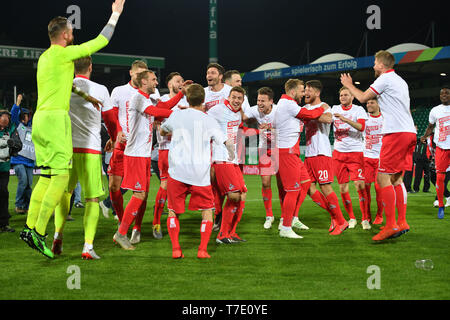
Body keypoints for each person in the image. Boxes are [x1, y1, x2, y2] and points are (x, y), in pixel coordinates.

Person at [20, 1, 126, 258]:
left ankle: (29, 227)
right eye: (71, 32)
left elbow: (64, 85)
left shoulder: (45, 57)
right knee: (60, 179)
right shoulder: (65, 53)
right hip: (57, 122)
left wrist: (83, 95)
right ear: (65, 34)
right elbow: (102, 40)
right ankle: (40, 232)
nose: (73, 35)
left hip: (40, 120)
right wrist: (115, 14)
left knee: (46, 177)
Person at [341, 50, 416, 241]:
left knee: (382, 179)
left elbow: (364, 97)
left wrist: (349, 86)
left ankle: (390, 226)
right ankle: (402, 222)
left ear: (382, 65)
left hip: (395, 133)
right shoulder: (401, 81)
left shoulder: (385, 78)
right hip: (409, 132)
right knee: (396, 179)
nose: (373, 66)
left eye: (375, 63)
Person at [113, 70, 190, 250]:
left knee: (142, 195)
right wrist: (183, 115)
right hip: (136, 155)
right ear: (144, 81)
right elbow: (159, 111)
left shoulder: (146, 98)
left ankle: (130, 230)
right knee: (139, 194)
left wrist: (181, 94)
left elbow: (165, 107)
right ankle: (122, 233)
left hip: (144, 154)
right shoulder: (138, 98)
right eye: (154, 80)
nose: (157, 83)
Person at [160, 83, 233, 259]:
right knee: (207, 210)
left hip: (177, 171)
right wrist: (230, 153)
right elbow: (225, 141)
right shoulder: (208, 120)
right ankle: (202, 250)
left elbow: (163, 131)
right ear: (203, 100)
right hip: (199, 174)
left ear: (187, 98)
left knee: (173, 211)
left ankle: (176, 249)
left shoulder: (177, 114)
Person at [52, 56, 114, 259]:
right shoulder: (101, 89)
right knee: (92, 198)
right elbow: (110, 119)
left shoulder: (63, 85)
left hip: (67, 149)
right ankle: (87, 246)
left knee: (65, 193)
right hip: (90, 149)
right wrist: (113, 138)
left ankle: (57, 235)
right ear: (90, 67)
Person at [302, 80, 349, 235]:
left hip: (321, 153)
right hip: (308, 155)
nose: (305, 93)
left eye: (308, 90)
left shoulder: (325, 106)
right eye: (304, 90)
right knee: (308, 187)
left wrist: (309, 115)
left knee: (325, 187)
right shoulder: (304, 108)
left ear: (317, 92)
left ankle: (341, 221)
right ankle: (334, 216)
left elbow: (328, 119)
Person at [107, 60, 149, 226]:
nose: (140, 76)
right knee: (114, 187)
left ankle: (136, 227)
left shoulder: (151, 93)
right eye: (138, 73)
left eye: (143, 74)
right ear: (131, 73)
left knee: (140, 191)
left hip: (140, 149)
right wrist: (116, 133)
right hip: (122, 146)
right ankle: (123, 219)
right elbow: (113, 115)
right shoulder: (119, 91)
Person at [151, 72, 188, 241]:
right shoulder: (162, 100)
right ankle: (157, 222)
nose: (181, 83)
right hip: (166, 149)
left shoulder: (186, 102)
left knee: (186, 187)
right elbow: (160, 129)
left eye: (182, 81)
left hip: (185, 150)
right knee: (165, 187)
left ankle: (174, 220)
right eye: (177, 81)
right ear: (169, 83)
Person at [207, 86, 248, 243]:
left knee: (242, 194)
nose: (236, 100)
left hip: (233, 160)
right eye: (234, 97)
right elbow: (203, 122)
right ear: (229, 97)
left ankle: (230, 232)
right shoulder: (217, 110)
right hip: (221, 158)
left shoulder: (238, 113)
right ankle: (222, 234)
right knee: (233, 195)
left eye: (239, 98)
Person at [331, 87, 369, 229]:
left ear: (352, 97)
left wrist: (345, 119)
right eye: (341, 95)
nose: (343, 97)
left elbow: (361, 127)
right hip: (339, 153)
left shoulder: (358, 110)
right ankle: (352, 217)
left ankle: (365, 218)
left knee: (359, 185)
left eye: (346, 95)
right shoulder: (334, 108)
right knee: (342, 188)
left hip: (355, 152)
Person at [420, 85, 450, 219]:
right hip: (442, 148)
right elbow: (430, 126)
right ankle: (441, 205)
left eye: (447, 93)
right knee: (440, 178)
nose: (444, 95)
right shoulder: (435, 110)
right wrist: (425, 136)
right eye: (442, 94)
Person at [10, 94, 35, 215]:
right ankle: (18, 204)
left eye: (28, 115)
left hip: (30, 161)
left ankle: (26, 206)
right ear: (22, 116)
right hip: (18, 159)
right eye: (26, 115)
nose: (28, 116)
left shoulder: (32, 128)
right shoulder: (18, 125)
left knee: (29, 184)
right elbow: (13, 115)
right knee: (23, 181)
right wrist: (18, 102)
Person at [363, 97, 384, 225]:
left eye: (372, 102)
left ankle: (380, 215)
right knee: (365, 188)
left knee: (378, 188)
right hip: (365, 157)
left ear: (378, 104)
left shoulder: (385, 118)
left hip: (381, 159)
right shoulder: (364, 118)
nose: (369, 105)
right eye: (367, 103)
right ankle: (367, 215)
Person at [0, 109, 21, 232]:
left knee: (3, 193)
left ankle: (4, 223)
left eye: (6, 123)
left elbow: (19, 144)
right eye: (2, 122)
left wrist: (14, 144)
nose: (4, 125)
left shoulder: (11, 128)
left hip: (4, 167)